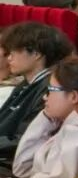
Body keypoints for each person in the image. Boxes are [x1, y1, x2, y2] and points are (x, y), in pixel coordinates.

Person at [0, 21, 74, 152]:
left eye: (13, 53)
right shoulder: (26, 83)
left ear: (36, 54)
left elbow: (26, 139)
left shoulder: (50, 89)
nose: (9, 58)